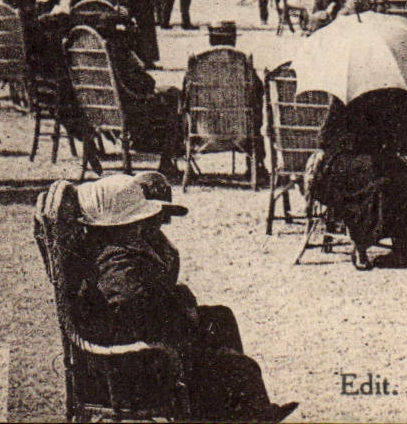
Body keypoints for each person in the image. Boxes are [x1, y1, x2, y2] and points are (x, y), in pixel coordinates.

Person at [74, 172, 295, 422]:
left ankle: (242, 408)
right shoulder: (115, 262)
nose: (142, 225)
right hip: (137, 362)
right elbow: (136, 311)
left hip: (144, 348)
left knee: (220, 319)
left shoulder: (113, 250)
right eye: (135, 221)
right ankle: (241, 411)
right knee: (241, 368)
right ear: (117, 225)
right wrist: (181, 309)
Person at [309, 87, 407, 270]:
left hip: (378, 158)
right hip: (345, 159)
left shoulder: (393, 95)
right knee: (375, 178)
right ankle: (361, 245)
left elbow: (401, 137)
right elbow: (325, 138)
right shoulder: (346, 94)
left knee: (396, 173)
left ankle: (402, 239)